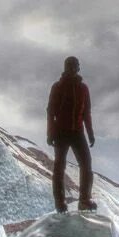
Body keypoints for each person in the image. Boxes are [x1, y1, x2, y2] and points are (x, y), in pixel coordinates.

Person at [46, 55, 96, 212]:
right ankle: (60, 204)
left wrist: (90, 133)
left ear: (78, 68)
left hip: (77, 132)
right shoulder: (57, 87)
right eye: (70, 66)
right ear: (65, 68)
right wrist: (50, 133)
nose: (73, 68)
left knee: (86, 164)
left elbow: (87, 112)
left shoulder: (83, 89)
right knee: (59, 167)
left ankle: (84, 201)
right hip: (61, 132)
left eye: (75, 66)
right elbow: (51, 112)